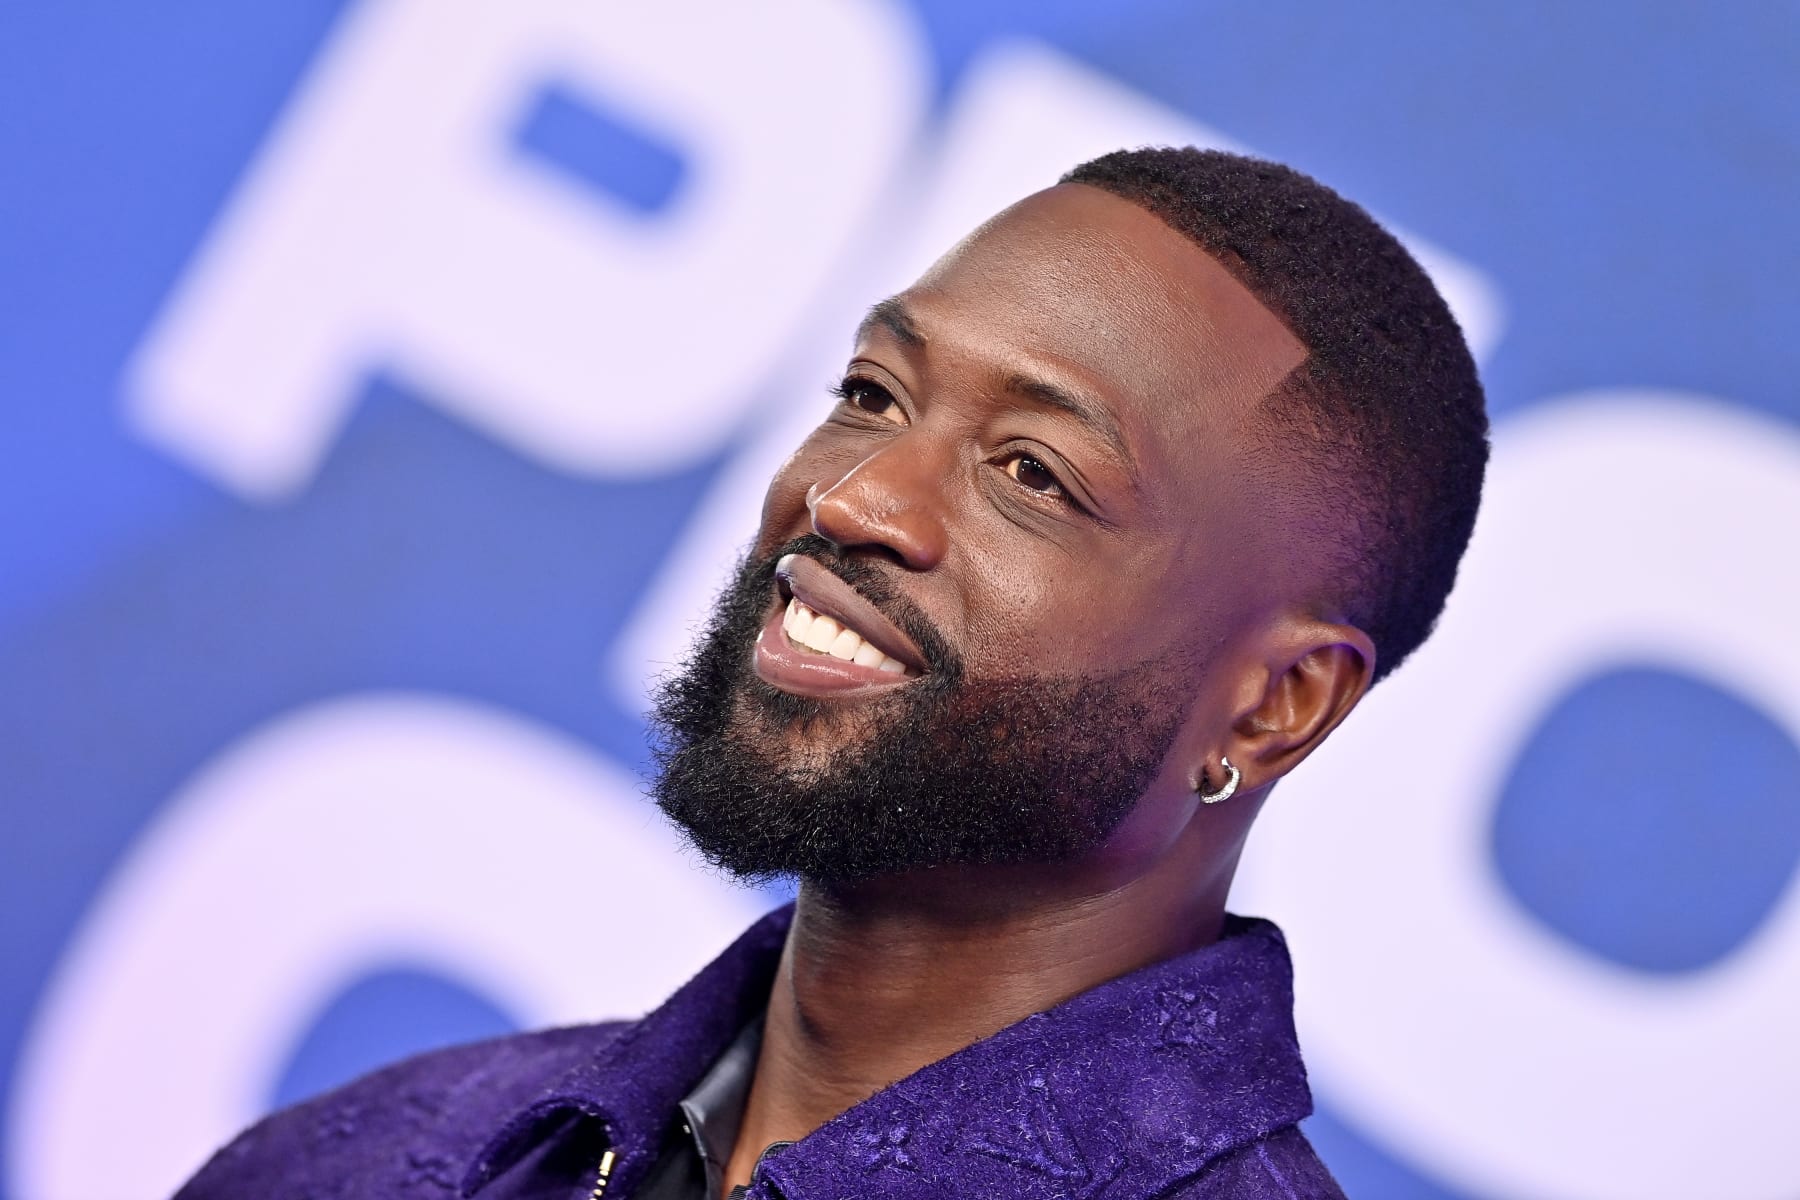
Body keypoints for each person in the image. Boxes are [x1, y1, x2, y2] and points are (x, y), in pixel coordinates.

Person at [174, 146, 1487, 1200]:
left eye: (1034, 473)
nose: (856, 498)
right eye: (873, 393)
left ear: (1273, 704)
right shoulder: (366, 1157)